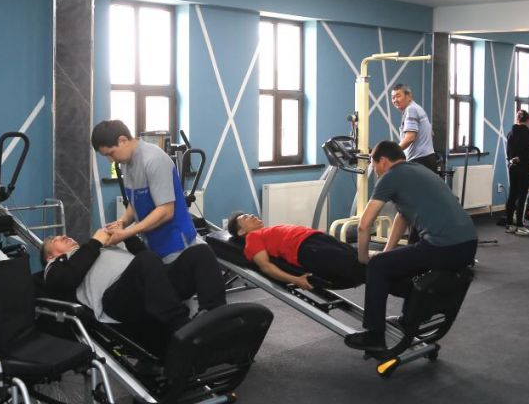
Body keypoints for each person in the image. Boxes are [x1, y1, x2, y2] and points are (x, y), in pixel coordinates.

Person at [343, 140, 478, 353]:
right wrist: (386, 252)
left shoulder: (390, 177)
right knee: (391, 262)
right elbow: (403, 216)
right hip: (468, 243)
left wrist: (364, 259)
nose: (374, 171)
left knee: (377, 267)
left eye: (374, 165)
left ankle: (374, 335)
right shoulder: (418, 170)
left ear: (383, 161)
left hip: (443, 246)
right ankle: (411, 317)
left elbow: (364, 225)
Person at [91, 120, 226, 312]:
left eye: (110, 153)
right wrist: (122, 222)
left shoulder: (153, 160)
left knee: (176, 296)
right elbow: (135, 201)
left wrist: (127, 233)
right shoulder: (127, 164)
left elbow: (165, 211)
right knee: (164, 294)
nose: (111, 161)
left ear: (122, 140)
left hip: (176, 242)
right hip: (154, 243)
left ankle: (196, 324)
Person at [40, 230, 191, 335]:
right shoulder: (55, 267)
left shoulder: (93, 249)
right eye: (55, 239)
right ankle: (182, 327)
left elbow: (145, 258)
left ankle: (205, 317)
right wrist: (95, 242)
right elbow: (65, 280)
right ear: (49, 257)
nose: (64, 236)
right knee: (146, 260)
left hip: (147, 284)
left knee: (197, 254)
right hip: (116, 299)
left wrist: (127, 236)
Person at [226, 213, 365, 289]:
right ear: (241, 231)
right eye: (245, 218)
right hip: (307, 248)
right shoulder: (252, 237)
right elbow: (266, 267)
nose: (251, 215)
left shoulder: (265, 232)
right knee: (358, 267)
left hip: (317, 238)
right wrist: (296, 280)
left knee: (360, 258)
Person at [391, 84, 438, 174]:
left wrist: (392, 152)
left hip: (420, 161)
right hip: (425, 160)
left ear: (409, 96)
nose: (395, 100)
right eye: (393, 97)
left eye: (398, 96)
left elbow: (410, 138)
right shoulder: (416, 108)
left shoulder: (411, 109)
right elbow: (431, 133)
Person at [505, 109, 529, 236]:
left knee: (512, 195)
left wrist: (515, 159)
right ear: (528, 120)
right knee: (522, 197)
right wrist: (523, 158)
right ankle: (519, 225)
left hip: (513, 168)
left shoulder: (510, 133)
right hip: (525, 168)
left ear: (517, 119)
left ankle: (509, 224)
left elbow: (509, 153)